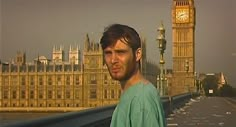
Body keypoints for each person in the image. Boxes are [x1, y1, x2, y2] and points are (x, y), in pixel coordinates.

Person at [100, 24, 166, 127]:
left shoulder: (141, 99)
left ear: (138, 54)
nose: (113, 60)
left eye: (120, 52)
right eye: (108, 53)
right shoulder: (134, 94)